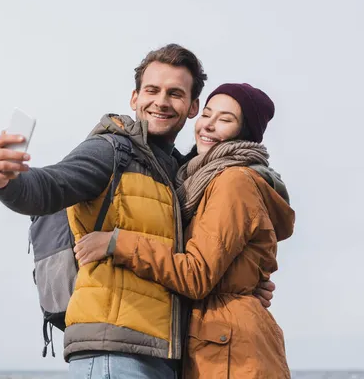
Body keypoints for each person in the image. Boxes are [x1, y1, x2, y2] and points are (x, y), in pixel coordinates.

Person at [0, 45, 274, 379]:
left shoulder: (183, 176)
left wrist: (244, 285)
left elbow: (197, 261)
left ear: (192, 106)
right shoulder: (110, 150)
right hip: (114, 352)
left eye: (175, 93)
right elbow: (52, 187)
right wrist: (8, 181)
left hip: (165, 356)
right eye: (152, 90)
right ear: (135, 98)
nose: (161, 101)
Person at [74, 83, 294, 378]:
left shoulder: (233, 182)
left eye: (225, 120)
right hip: (220, 343)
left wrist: (117, 243)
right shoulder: (199, 179)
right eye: (207, 114)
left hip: (233, 351)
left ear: (245, 133)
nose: (209, 126)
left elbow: (196, 273)